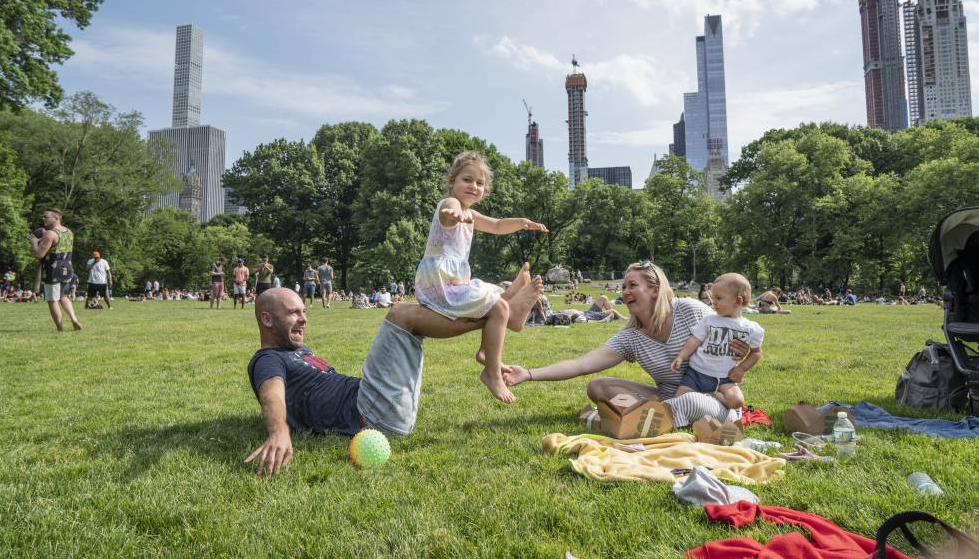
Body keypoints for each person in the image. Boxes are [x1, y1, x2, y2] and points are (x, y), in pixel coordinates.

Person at [245, 272, 543, 475]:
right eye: (294, 313)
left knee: (409, 326)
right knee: (401, 316)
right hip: (373, 413)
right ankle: (498, 313)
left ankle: (498, 311)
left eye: (304, 312)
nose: (304, 319)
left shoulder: (297, 350)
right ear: (267, 319)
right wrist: (279, 432)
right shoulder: (267, 359)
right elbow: (272, 394)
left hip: (382, 408)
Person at [504, 262, 747, 433]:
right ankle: (652, 418)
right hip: (668, 397)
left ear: (654, 290)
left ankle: (634, 420)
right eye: (623, 287)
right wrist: (528, 374)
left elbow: (732, 329)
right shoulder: (631, 337)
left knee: (691, 401)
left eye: (632, 285)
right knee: (598, 387)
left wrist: (739, 352)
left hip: (715, 401)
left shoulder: (689, 310)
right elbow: (581, 365)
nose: (625, 292)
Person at [414, 151, 548, 404]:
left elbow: (497, 226)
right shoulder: (450, 204)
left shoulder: (472, 215)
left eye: (479, 183)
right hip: (439, 284)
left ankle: (492, 343)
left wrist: (522, 222)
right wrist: (455, 215)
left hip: (454, 281)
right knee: (497, 305)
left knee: (495, 297)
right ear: (452, 181)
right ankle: (491, 372)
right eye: (467, 180)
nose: (473, 186)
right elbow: (448, 212)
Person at [669, 273, 764, 410]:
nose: (714, 302)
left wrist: (742, 368)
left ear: (737, 301)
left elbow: (756, 352)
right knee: (679, 401)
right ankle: (701, 397)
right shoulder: (710, 320)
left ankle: (711, 395)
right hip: (696, 373)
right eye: (713, 298)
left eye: (718, 298)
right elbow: (695, 339)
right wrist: (681, 356)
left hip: (724, 378)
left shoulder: (750, 328)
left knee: (737, 401)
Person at [27, 208, 82, 332]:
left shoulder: (50, 234)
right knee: (64, 296)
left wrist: (34, 242)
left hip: (53, 270)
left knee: (52, 300)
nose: (43, 219)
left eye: (46, 217)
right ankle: (73, 319)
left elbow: (39, 254)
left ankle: (60, 328)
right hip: (67, 268)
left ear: (56, 218)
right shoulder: (69, 232)